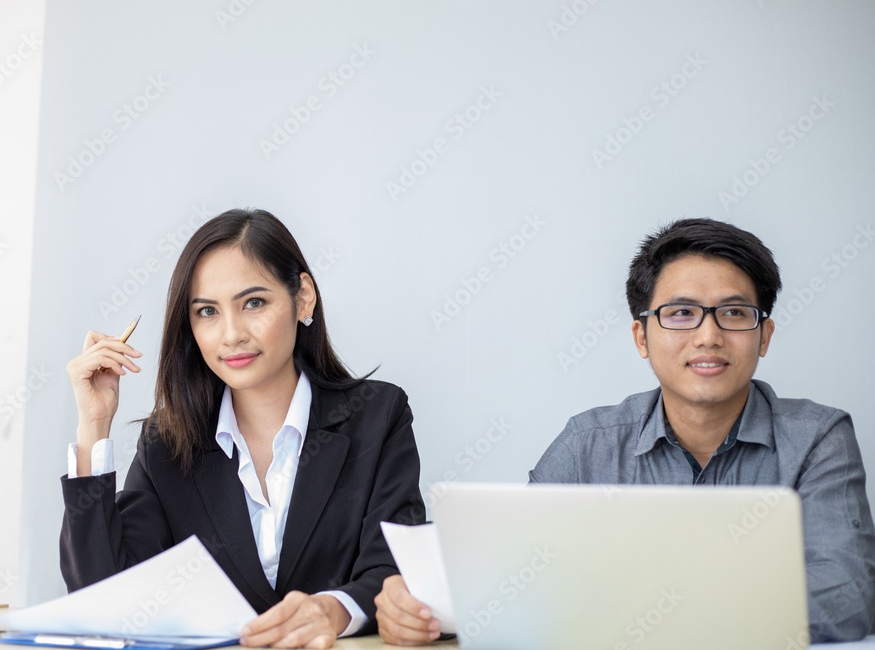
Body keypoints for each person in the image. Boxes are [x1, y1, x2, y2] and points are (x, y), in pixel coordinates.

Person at [376, 217, 875, 644]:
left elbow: (848, 594)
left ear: (763, 335)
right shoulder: (587, 444)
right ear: (642, 336)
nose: (708, 336)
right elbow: (515, 579)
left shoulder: (817, 438)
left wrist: (664, 612)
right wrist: (418, 603)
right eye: (681, 313)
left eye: (733, 313)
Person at [60, 208, 425, 648]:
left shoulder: (377, 416)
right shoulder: (167, 444)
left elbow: (392, 569)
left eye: (253, 303)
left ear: (303, 298)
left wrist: (334, 609)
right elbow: (105, 597)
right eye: (207, 311)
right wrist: (93, 425)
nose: (231, 334)